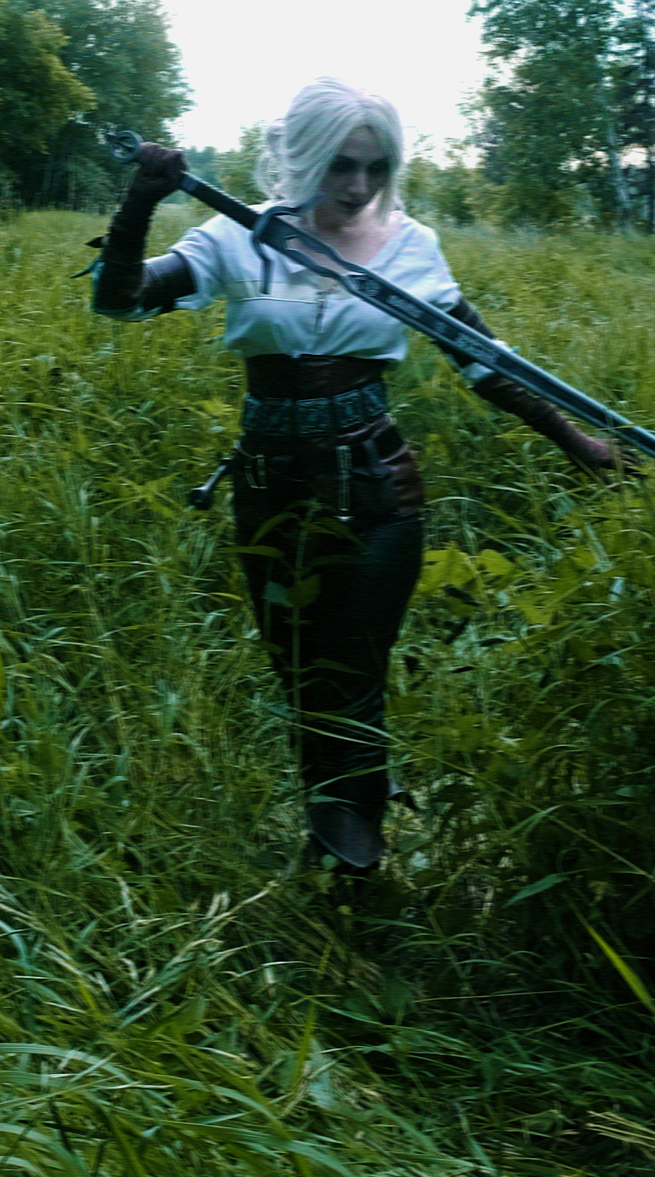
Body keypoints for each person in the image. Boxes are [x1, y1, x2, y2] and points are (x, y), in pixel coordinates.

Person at [91, 77, 623, 874]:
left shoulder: (413, 248)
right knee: (300, 673)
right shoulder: (237, 238)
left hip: (379, 493)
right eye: (342, 165)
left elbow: (486, 366)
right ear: (305, 159)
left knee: (350, 676)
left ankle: (352, 860)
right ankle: (338, 831)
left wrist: (577, 442)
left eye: (375, 168)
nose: (359, 185)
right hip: (269, 492)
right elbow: (120, 301)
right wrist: (139, 204)